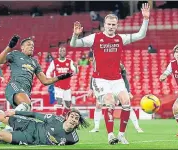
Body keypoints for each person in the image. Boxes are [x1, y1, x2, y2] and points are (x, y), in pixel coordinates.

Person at [70, 3, 150, 144]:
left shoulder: (120, 39)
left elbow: (141, 35)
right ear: (104, 24)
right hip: (100, 79)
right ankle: (110, 135)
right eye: (109, 24)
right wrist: (75, 35)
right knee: (109, 102)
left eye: (114, 24)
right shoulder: (95, 38)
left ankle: (121, 134)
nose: (111, 27)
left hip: (117, 79)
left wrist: (145, 19)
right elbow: (74, 45)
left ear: (116, 25)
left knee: (126, 102)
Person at [0, 35, 73, 131]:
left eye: (33, 45)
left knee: (22, 117)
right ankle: (3, 117)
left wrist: (61, 77)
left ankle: (4, 130)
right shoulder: (15, 54)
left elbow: (45, 81)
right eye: (29, 45)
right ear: (22, 47)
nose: (31, 47)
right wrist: (10, 46)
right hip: (14, 85)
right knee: (26, 104)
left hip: (25, 91)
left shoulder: (34, 62)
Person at [0, 104, 89, 145]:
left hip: (29, 138)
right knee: (1, 117)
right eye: (72, 116)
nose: (73, 119)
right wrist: (15, 112)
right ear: (67, 117)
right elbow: (34, 114)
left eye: (76, 118)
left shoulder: (73, 139)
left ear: (77, 123)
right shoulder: (55, 119)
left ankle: (7, 136)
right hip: (30, 125)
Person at [89, 63, 143, 133]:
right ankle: (96, 127)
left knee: (128, 106)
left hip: (117, 87)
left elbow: (124, 78)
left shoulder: (119, 65)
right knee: (98, 105)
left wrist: (128, 92)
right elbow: (94, 76)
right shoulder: (102, 64)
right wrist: (91, 89)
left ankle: (137, 127)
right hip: (106, 87)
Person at [46, 46, 78, 116]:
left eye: (64, 50)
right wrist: (51, 80)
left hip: (67, 87)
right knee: (59, 102)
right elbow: (48, 72)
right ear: (59, 52)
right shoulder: (54, 62)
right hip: (58, 86)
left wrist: (76, 67)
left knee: (68, 105)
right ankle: (58, 119)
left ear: (66, 52)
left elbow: (75, 73)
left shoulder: (69, 61)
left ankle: (63, 117)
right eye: (61, 50)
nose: (62, 52)